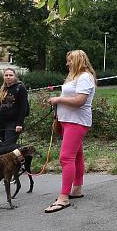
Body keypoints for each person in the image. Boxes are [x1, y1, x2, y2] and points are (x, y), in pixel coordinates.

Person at [45, 50, 96, 213]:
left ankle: (63, 197)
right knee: (76, 156)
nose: (67, 63)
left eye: (69, 60)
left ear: (78, 60)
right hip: (68, 121)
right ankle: (77, 189)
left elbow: (80, 101)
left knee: (66, 158)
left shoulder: (85, 77)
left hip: (77, 122)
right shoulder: (75, 77)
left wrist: (58, 99)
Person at [0, 68, 28, 146]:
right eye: (6, 75)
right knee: (0, 145)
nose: (8, 77)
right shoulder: (3, 89)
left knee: (8, 145)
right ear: (3, 77)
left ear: (15, 77)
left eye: (11, 75)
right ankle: (1, 158)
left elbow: (23, 107)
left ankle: (14, 158)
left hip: (13, 122)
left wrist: (19, 124)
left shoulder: (20, 88)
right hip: (1, 121)